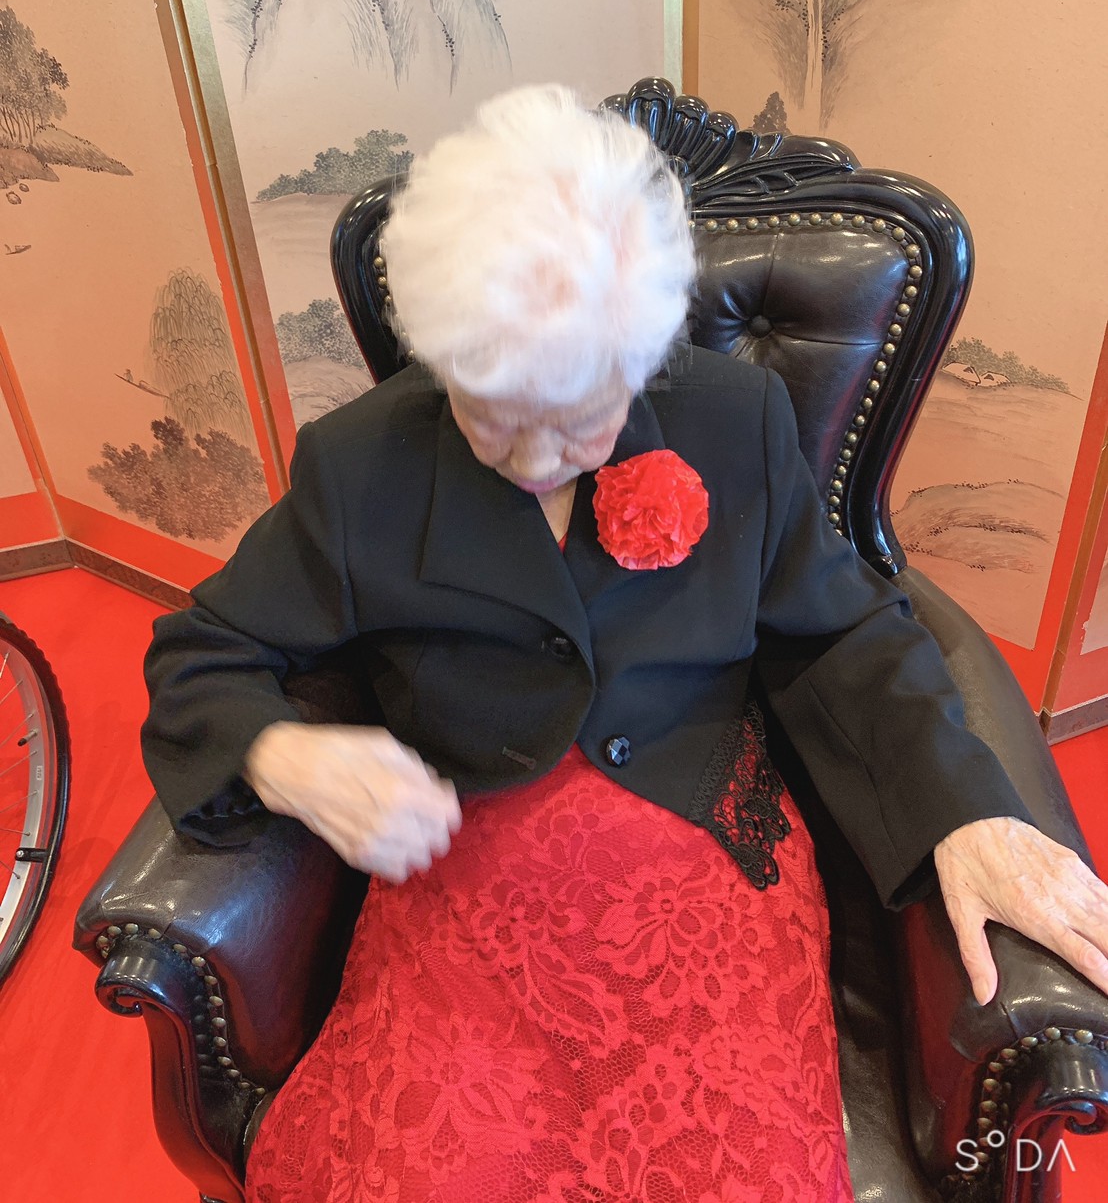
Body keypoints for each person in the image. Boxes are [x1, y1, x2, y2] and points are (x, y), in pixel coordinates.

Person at [142, 85, 1108, 1203]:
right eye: (495, 414)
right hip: (462, 875)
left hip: (698, 850)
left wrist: (963, 807)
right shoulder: (358, 466)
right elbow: (200, 653)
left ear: (644, 353)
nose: (537, 460)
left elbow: (842, 633)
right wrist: (279, 753)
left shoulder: (736, 420)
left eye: (580, 417)